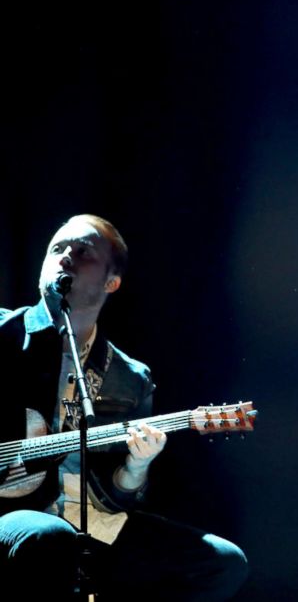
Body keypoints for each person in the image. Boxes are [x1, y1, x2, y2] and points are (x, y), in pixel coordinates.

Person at [0, 214, 248, 600]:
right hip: (16, 519)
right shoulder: (4, 335)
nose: (66, 256)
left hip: (94, 523)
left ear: (111, 282)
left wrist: (136, 466)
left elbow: (118, 496)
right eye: (57, 248)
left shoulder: (128, 378)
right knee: (49, 537)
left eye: (83, 251)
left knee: (222, 562)